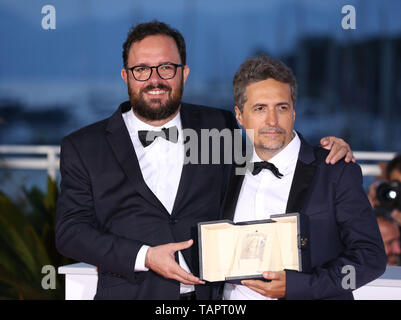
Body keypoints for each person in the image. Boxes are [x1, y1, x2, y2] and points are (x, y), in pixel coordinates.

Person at [55, 21, 354, 300]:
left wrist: (324, 152)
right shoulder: (84, 146)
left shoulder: (217, 124)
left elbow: (269, 153)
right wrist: (143, 256)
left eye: (166, 68)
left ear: (184, 73)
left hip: (210, 298)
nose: (155, 79)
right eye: (142, 69)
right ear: (126, 75)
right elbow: (70, 233)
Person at [221, 55, 386, 300]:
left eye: (282, 107)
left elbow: (370, 257)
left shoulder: (334, 169)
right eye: (260, 109)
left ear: (294, 113)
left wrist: (298, 286)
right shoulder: (223, 171)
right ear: (239, 115)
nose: (272, 121)